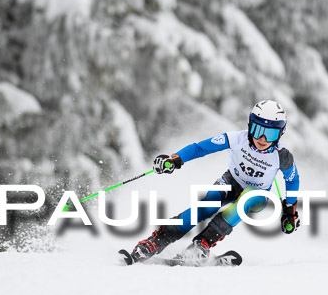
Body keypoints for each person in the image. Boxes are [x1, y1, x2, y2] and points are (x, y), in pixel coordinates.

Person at [129, 100, 301, 262]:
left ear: (280, 133)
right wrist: (175, 159)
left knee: (247, 198)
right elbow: (200, 148)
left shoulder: (282, 156)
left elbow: (292, 180)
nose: (262, 138)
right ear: (250, 126)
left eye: (270, 133)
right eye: (257, 129)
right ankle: (158, 239)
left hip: (258, 195)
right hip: (231, 180)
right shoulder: (236, 139)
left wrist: (290, 209)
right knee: (208, 204)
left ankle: (202, 244)